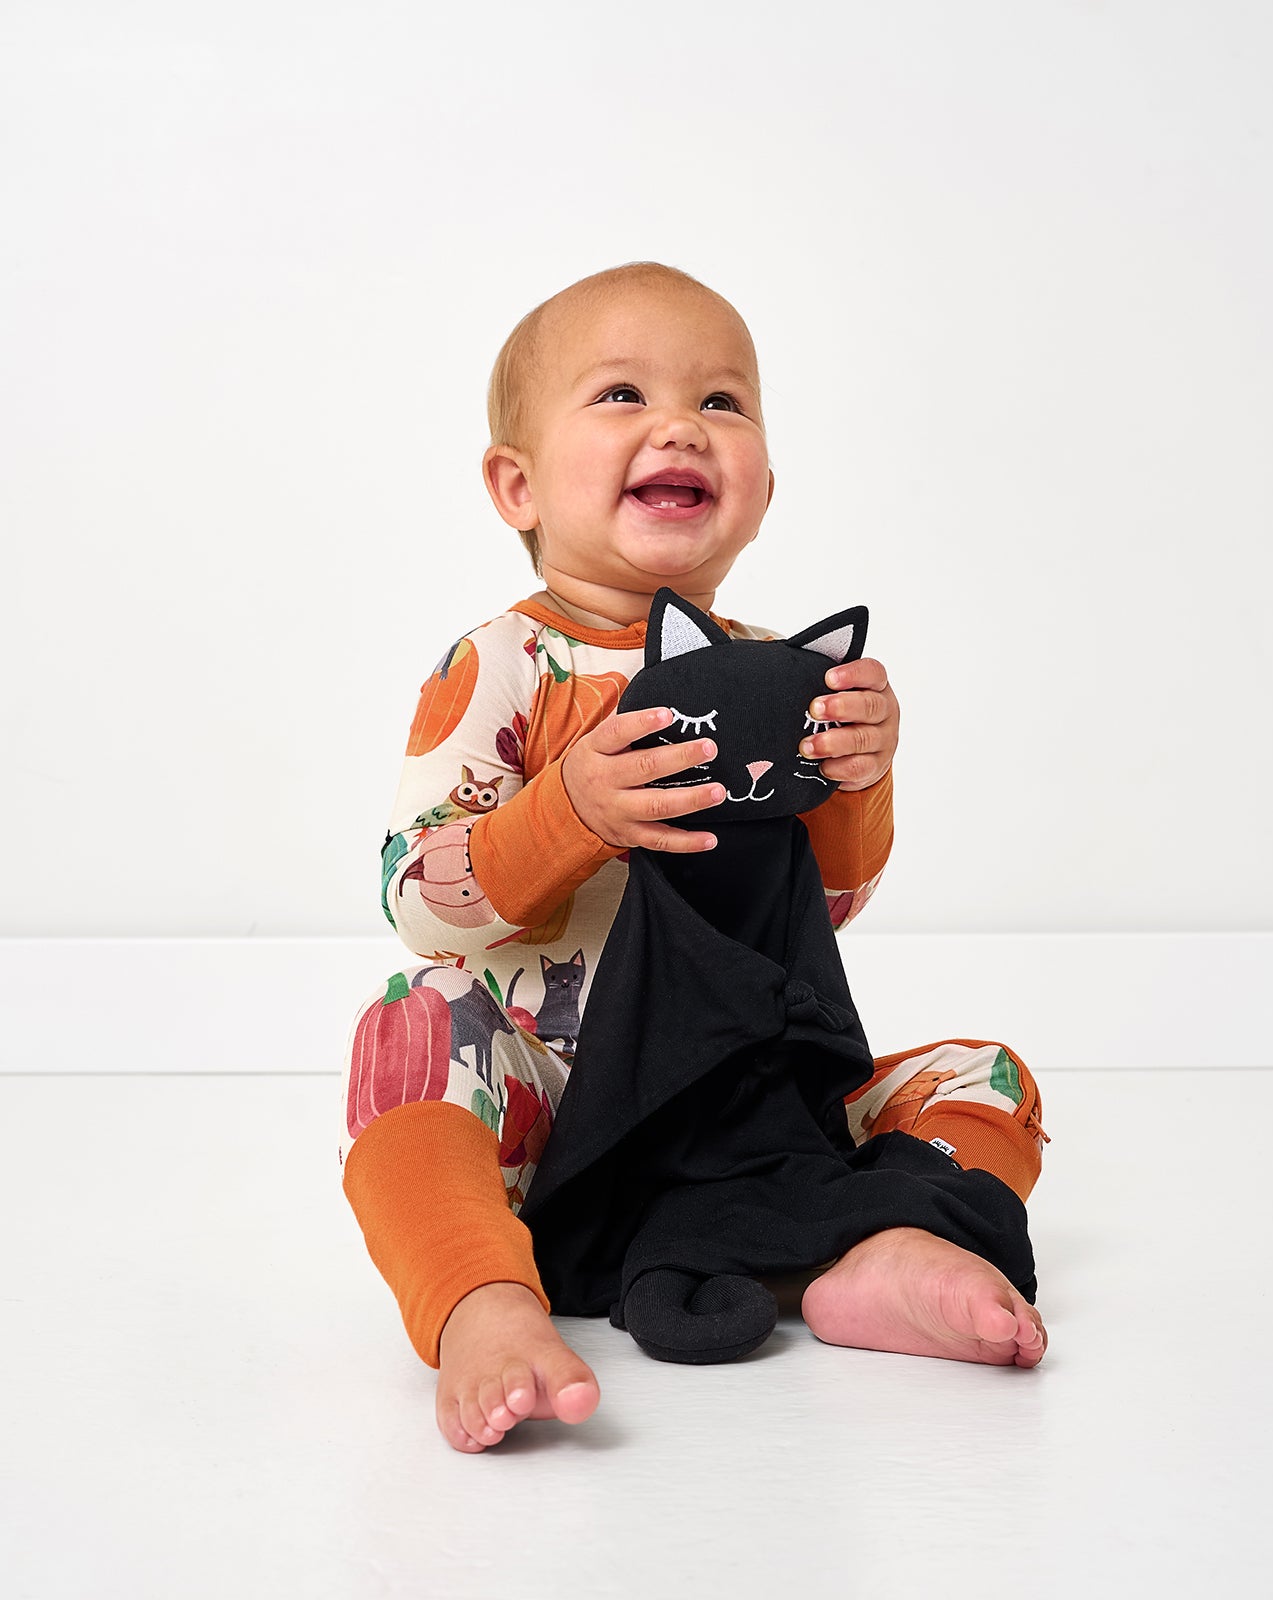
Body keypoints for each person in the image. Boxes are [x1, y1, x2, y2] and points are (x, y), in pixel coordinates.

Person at [339, 261, 1052, 1456]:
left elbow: (827, 905)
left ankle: (870, 1248)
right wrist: (569, 809)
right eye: (621, 393)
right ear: (517, 484)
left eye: (721, 401)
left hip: (745, 1096)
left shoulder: (781, 669)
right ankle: (481, 1299)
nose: (679, 424)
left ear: (763, 487)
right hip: (556, 1107)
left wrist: (857, 781)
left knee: (986, 1076)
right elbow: (420, 901)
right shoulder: (506, 664)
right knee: (411, 1022)